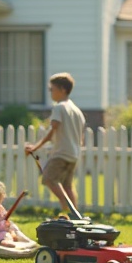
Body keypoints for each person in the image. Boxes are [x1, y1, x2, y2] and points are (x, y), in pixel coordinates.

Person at [24, 71, 86, 213]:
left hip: (61, 153)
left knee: (49, 179)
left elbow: (53, 130)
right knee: (67, 186)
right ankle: (74, 216)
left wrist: (35, 147)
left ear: (62, 89)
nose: (50, 92)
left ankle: (66, 206)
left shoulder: (59, 107)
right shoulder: (77, 110)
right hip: (74, 154)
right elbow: (80, 136)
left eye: (52, 89)